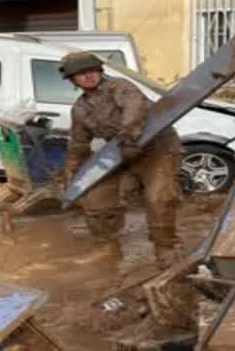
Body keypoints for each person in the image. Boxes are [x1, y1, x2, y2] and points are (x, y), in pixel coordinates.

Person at [59, 52, 183, 269]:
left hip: (157, 149)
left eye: (91, 70)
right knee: (96, 196)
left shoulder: (119, 87)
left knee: (158, 198)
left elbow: (134, 108)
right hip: (122, 155)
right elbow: (78, 145)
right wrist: (71, 176)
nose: (87, 76)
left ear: (100, 71)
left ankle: (166, 249)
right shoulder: (79, 109)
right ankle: (108, 248)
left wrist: (128, 136)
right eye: (79, 74)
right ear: (71, 80)